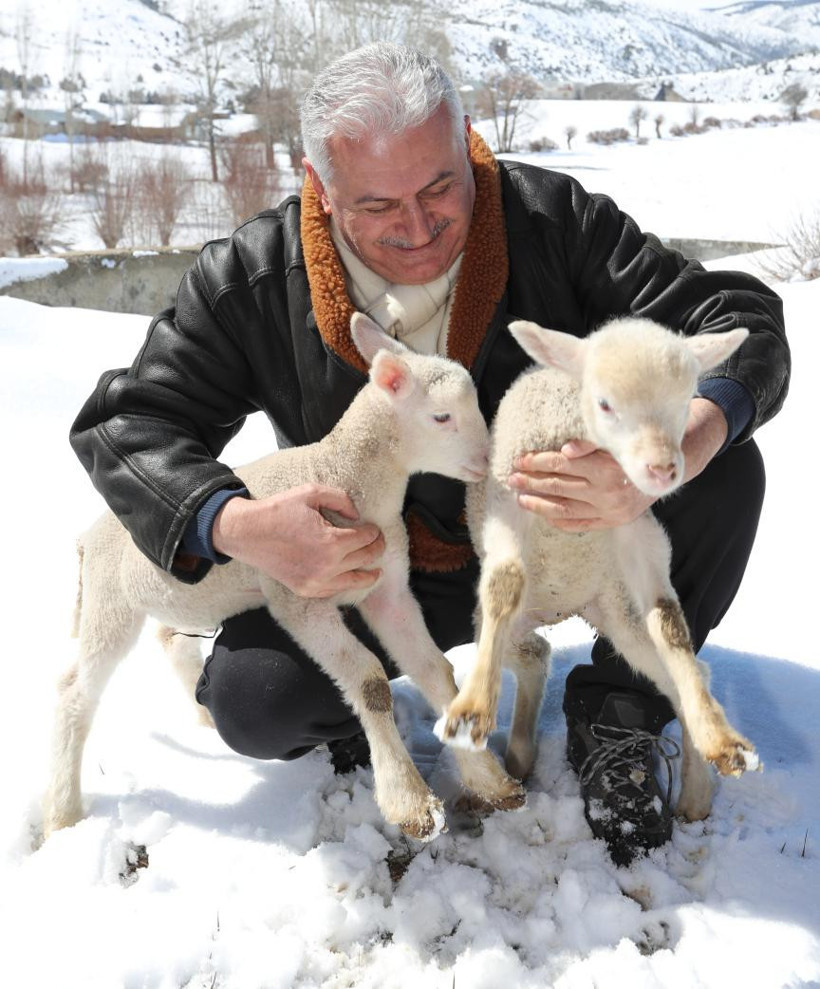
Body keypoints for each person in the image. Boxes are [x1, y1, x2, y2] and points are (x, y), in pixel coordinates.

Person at [70, 42, 789, 865]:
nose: (417, 228)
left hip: (554, 536)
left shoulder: (554, 221)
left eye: (441, 186)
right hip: (368, 563)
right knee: (257, 697)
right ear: (319, 184)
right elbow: (128, 423)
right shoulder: (252, 276)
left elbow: (739, 318)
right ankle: (362, 722)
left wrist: (684, 444)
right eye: (376, 205)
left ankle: (621, 714)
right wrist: (234, 524)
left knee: (726, 468)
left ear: (467, 142)